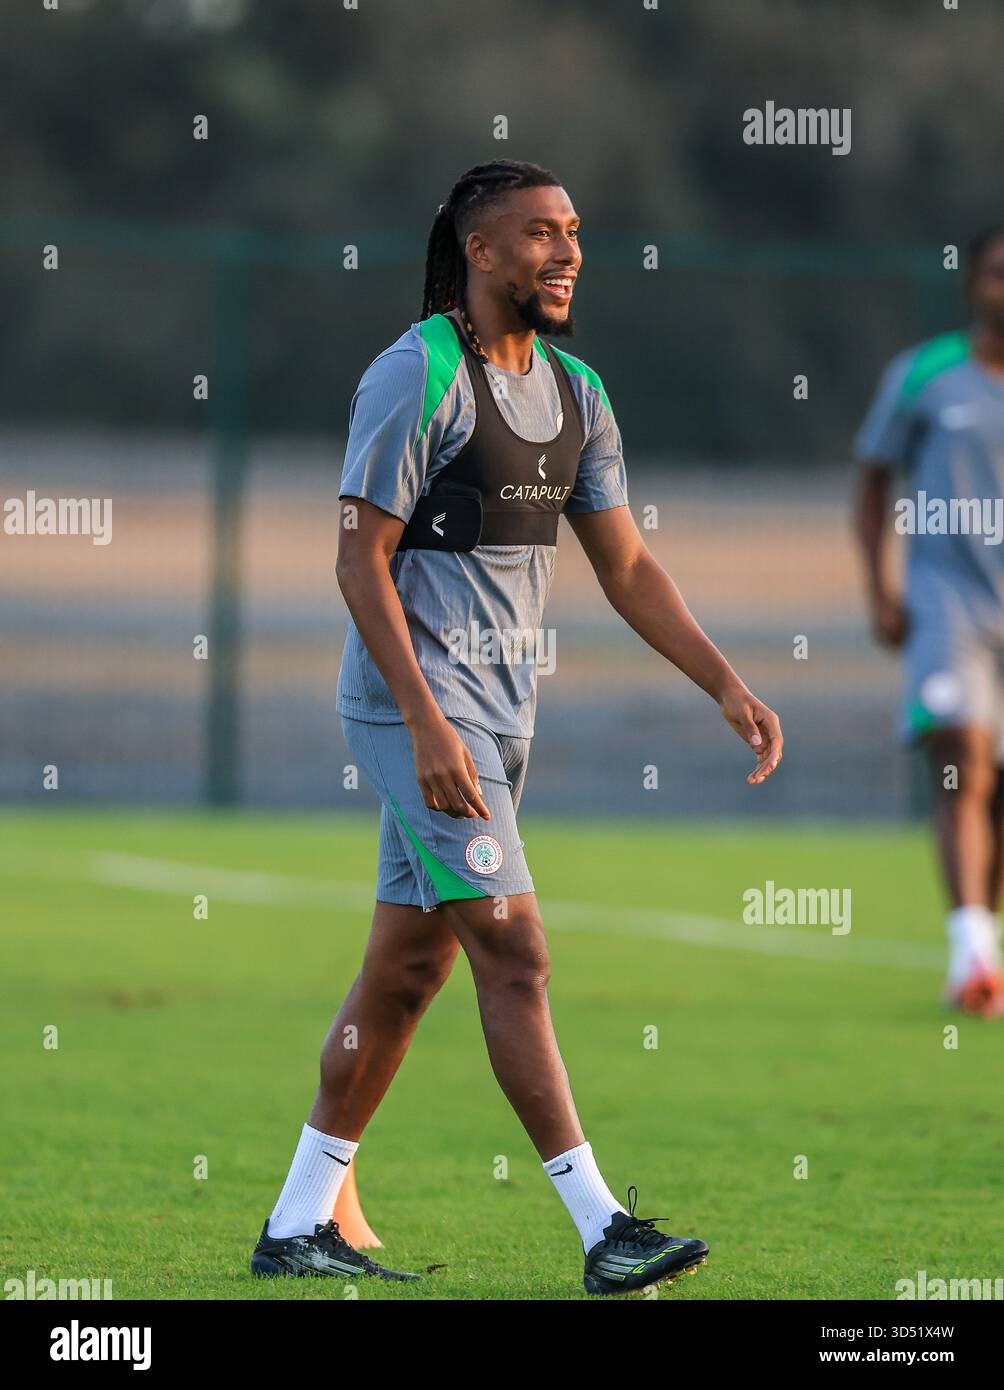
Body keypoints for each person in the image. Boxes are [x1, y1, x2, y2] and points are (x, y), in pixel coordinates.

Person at [251, 159, 784, 1295]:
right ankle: (603, 1229)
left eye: (574, 233)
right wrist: (423, 720)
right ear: (477, 248)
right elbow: (360, 560)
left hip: (498, 723)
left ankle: (299, 1221)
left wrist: (723, 682)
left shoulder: (578, 392)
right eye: (538, 234)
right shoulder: (417, 371)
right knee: (517, 950)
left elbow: (626, 565)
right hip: (417, 718)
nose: (565, 253)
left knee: (404, 975)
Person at [854, 225, 1004, 1018]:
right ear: (972, 284)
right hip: (948, 600)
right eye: (995, 274)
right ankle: (972, 951)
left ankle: (984, 937)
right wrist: (880, 587)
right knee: (963, 760)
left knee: (998, 785)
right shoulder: (925, 375)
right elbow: (873, 478)